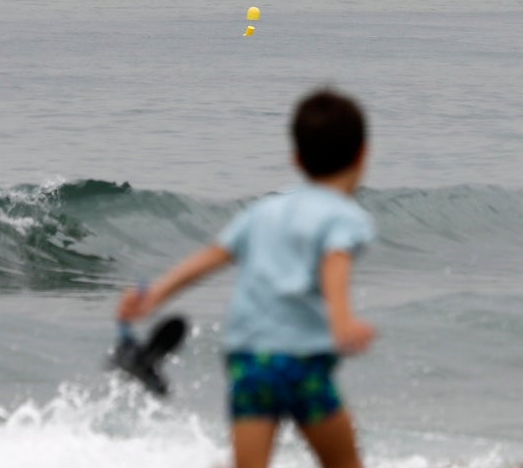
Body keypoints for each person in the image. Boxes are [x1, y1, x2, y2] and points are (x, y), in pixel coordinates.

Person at [117, 88, 376, 468]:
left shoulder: (263, 212)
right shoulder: (346, 216)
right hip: (301, 362)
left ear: (296, 158)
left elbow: (212, 257)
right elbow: (334, 261)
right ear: (362, 155)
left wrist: (154, 295)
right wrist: (342, 319)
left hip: (250, 360)